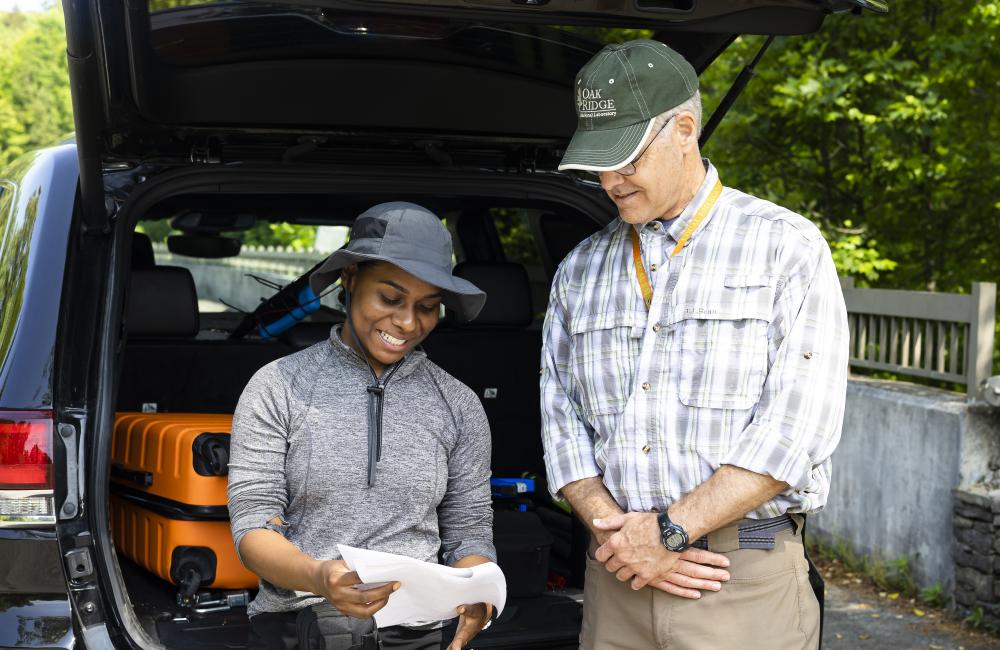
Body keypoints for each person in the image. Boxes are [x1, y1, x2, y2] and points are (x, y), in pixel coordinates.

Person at [540, 39, 849, 649]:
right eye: (598, 162)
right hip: (617, 571)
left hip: (742, 574)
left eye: (625, 159)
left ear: (684, 130)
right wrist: (625, 539)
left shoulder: (787, 247)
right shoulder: (579, 268)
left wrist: (671, 532)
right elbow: (562, 430)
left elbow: (794, 430)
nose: (608, 180)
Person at [228, 202, 497, 650]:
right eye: (390, 299)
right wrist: (319, 576)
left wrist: (477, 597)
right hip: (301, 625)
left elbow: (469, 527)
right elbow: (254, 523)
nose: (408, 323)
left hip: (420, 631)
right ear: (349, 279)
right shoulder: (277, 386)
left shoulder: (458, 404)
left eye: (428, 308)